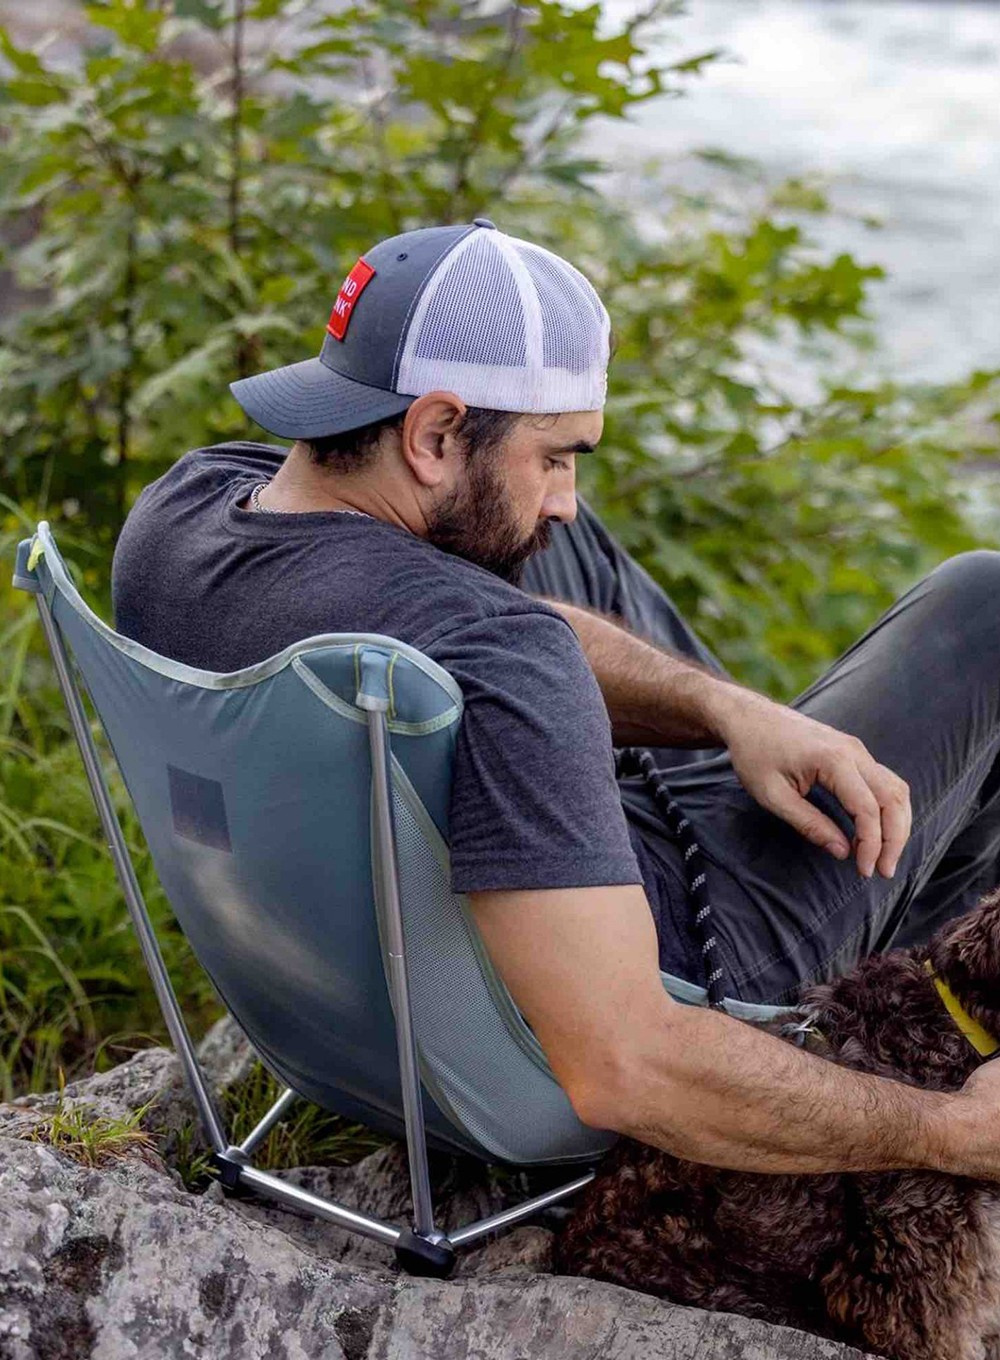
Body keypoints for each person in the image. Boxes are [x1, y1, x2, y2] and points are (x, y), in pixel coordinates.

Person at [113, 218, 1000, 1181]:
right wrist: (950, 1134)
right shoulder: (504, 656)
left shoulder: (183, 511)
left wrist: (724, 710)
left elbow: (465, 607)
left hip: (340, 1008)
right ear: (434, 432)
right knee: (984, 603)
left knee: (542, 538)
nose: (567, 493)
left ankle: (770, 748)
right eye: (558, 455)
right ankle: (928, 1021)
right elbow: (630, 1064)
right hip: (666, 978)